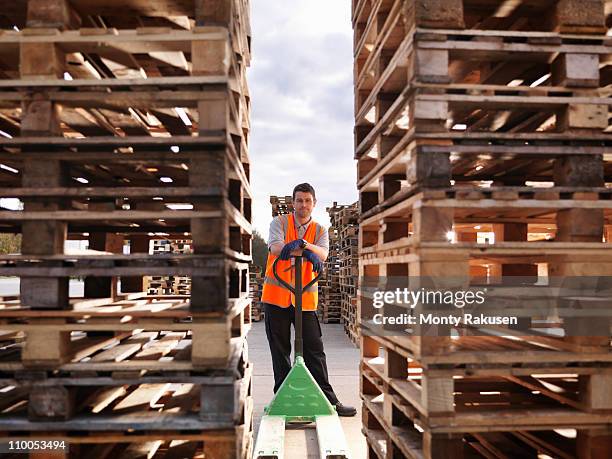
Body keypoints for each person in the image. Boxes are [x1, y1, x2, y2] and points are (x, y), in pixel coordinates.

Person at [261, 182, 357, 417]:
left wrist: (302, 246)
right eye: (299, 200)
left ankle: (330, 401)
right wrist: (306, 251)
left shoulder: (319, 230)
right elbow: (276, 248)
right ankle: (283, 399)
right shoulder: (279, 223)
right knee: (280, 351)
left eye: (307, 200)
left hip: (304, 299)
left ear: (314, 203)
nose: (303, 205)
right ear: (293, 203)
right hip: (276, 297)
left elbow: (323, 254)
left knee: (315, 350)